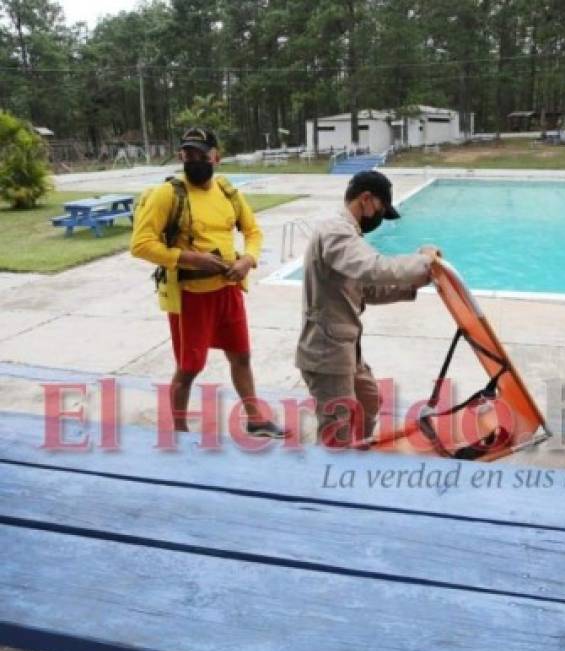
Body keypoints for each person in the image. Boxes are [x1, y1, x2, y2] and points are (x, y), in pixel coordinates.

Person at [131, 127, 287, 438]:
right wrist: (189, 258)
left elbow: (253, 232)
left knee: (241, 356)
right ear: (181, 156)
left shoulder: (229, 192)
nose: (195, 160)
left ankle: (255, 419)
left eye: (201, 155)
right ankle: (179, 431)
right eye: (189, 154)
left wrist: (247, 260)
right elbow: (140, 244)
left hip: (228, 291)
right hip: (192, 296)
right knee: (189, 368)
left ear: (216, 157)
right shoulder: (168, 194)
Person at [296, 170, 438, 447]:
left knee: (369, 400)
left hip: (346, 347)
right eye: (381, 210)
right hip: (326, 351)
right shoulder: (335, 230)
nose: (380, 219)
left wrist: (415, 284)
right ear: (366, 199)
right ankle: (330, 476)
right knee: (336, 428)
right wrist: (422, 262)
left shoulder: (348, 234)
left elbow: (366, 290)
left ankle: (357, 457)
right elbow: (372, 268)